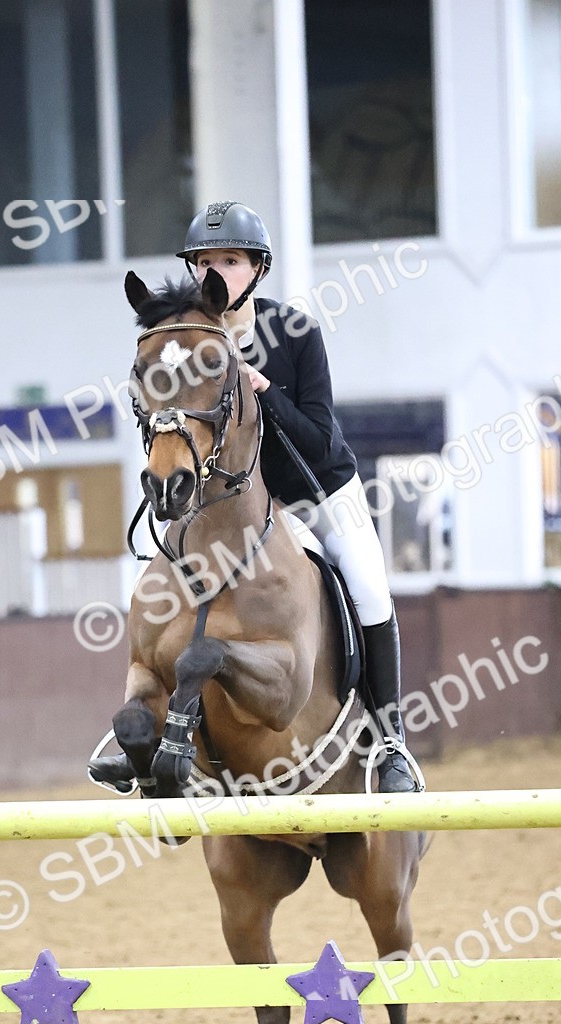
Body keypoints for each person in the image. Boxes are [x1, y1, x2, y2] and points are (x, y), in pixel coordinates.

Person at [177, 201, 420, 793]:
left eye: (229, 260)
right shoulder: (187, 342)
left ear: (257, 269)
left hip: (317, 489)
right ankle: (151, 732)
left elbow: (315, 434)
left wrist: (261, 388)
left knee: (368, 584)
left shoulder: (294, 332)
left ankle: (391, 741)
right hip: (236, 506)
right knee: (166, 589)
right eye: (203, 261)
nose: (215, 272)